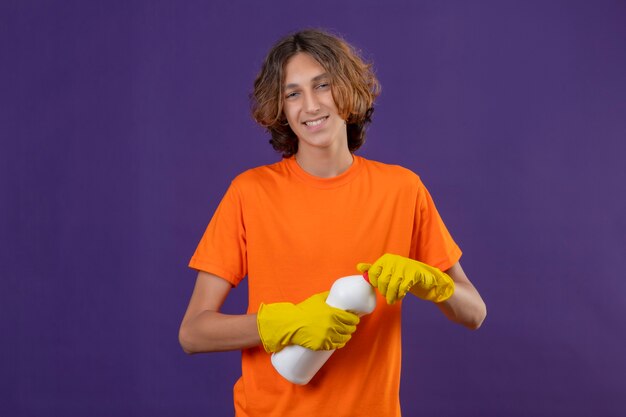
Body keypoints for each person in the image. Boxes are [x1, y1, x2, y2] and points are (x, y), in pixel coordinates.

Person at [179, 29, 486, 417]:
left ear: (348, 89)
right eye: (293, 93)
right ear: (281, 109)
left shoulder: (402, 190)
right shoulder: (250, 192)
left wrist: (432, 282)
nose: (310, 105)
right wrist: (285, 322)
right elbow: (193, 333)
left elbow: (474, 312)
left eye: (322, 85)